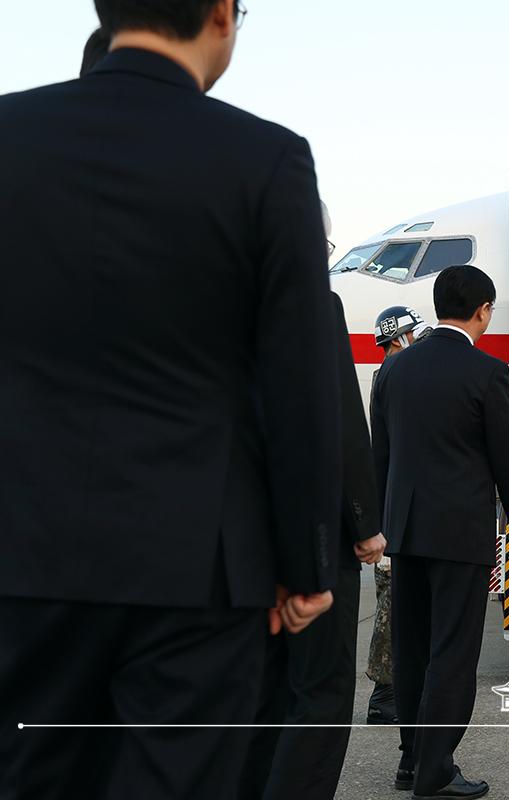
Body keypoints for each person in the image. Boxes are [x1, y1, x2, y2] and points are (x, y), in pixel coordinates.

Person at [0, 2, 339, 798]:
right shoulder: (267, 158)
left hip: (20, 550)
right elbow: (299, 388)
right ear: (222, 14)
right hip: (199, 568)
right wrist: (303, 566)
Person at [372, 265, 509, 799]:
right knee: (452, 651)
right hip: (459, 532)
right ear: (483, 310)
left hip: (404, 530)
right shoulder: (485, 371)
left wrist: (379, 525)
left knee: (412, 647)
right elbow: (508, 456)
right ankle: (435, 771)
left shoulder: (392, 371)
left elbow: (381, 457)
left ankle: (410, 760)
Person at [241, 291, 385, 800]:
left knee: (262, 691)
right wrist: (364, 519)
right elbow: (339, 415)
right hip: (310, 534)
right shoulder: (314, 305)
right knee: (321, 691)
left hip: (235, 535)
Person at [365, 304, 433, 726]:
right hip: (395, 511)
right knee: (392, 607)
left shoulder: (393, 376)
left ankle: (394, 689)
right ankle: (384, 693)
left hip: (397, 506)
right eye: (413, 337)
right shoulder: (390, 378)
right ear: (398, 339)